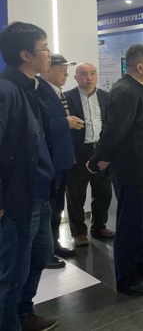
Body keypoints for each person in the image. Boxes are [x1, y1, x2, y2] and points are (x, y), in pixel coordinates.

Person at [88, 44, 143, 296]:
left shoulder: (140, 88)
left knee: (141, 222)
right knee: (130, 225)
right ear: (141, 67)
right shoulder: (125, 91)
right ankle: (128, 279)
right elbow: (113, 132)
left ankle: (141, 262)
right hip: (133, 171)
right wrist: (97, 159)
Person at [0, 22, 60, 331]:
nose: (50, 54)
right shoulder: (6, 90)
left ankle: (24, 313)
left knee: (40, 255)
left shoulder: (33, 87)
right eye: (45, 48)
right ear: (25, 54)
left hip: (39, 192)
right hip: (18, 199)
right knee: (12, 272)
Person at [38, 54, 84, 269]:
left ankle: (53, 244)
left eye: (67, 68)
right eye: (61, 69)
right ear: (47, 69)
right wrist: (65, 122)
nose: (66, 73)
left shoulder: (57, 92)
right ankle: (45, 252)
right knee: (49, 207)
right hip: (51, 161)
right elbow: (40, 124)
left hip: (63, 160)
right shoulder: (39, 92)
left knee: (57, 206)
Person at [64, 63, 115, 247]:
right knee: (76, 194)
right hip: (79, 150)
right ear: (76, 77)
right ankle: (79, 232)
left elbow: (110, 123)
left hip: (100, 149)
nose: (89, 77)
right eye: (84, 74)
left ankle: (99, 226)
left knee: (103, 191)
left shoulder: (106, 96)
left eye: (93, 73)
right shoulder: (67, 97)